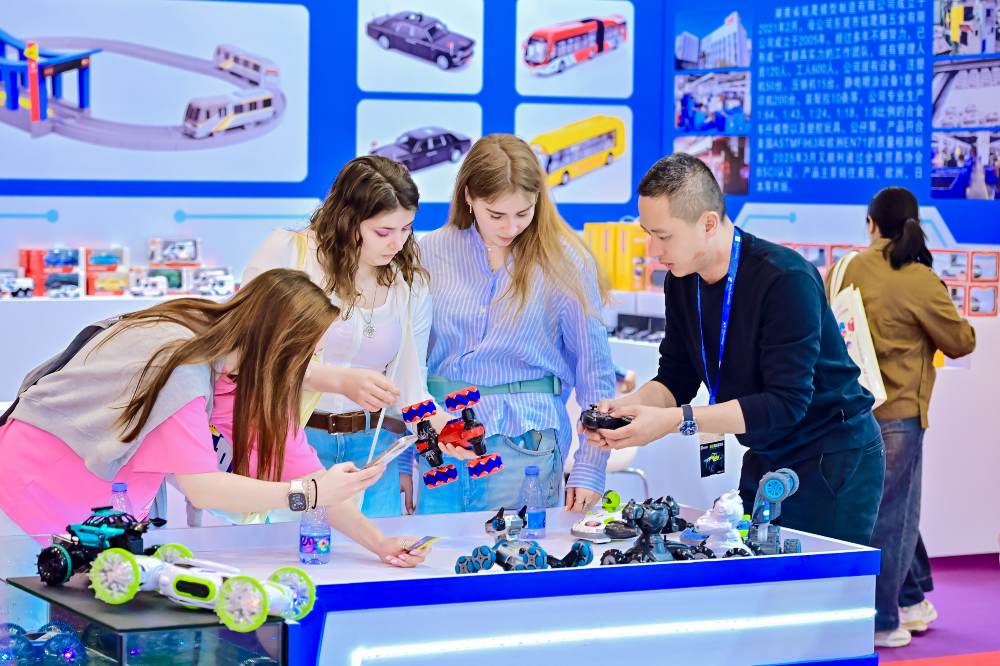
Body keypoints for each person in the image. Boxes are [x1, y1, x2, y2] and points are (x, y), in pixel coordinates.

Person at [0, 269, 426, 568]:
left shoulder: (237, 369)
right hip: (29, 494)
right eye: (305, 350)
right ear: (275, 344)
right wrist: (307, 494)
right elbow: (203, 489)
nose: (308, 363)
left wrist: (380, 541)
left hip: (91, 518)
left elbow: (306, 472)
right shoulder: (183, 365)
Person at [585, 153, 885, 547]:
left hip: (831, 459)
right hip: (765, 453)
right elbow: (676, 377)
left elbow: (786, 403)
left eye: (664, 235)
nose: (653, 249)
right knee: (752, 582)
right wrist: (627, 411)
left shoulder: (786, 279)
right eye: (648, 233)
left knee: (816, 592)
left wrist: (674, 421)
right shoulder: (682, 281)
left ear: (708, 223)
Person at [243, 156, 457, 517]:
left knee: (378, 562)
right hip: (294, 443)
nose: (397, 244)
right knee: (289, 564)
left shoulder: (410, 284)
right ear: (347, 220)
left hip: (372, 451)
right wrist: (337, 380)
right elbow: (247, 354)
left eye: (406, 229)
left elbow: (410, 389)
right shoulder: (291, 253)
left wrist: (445, 431)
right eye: (383, 232)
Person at [418, 133, 616, 515]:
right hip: (442, 443)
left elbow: (595, 373)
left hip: (527, 442)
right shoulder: (429, 252)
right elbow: (406, 366)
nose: (510, 227)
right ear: (468, 198)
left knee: (515, 563)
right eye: (496, 215)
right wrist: (404, 462)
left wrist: (591, 469)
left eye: (523, 213)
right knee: (434, 564)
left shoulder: (566, 261)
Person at [827, 186, 976, 648]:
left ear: (870, 223)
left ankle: (909, 601)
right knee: (891, 517)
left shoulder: (841, 269)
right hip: (899, 415)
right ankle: (881, 619)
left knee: (888, 511)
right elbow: (961, 342)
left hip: (847, 411)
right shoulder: (917, 278)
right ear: (914, 225)